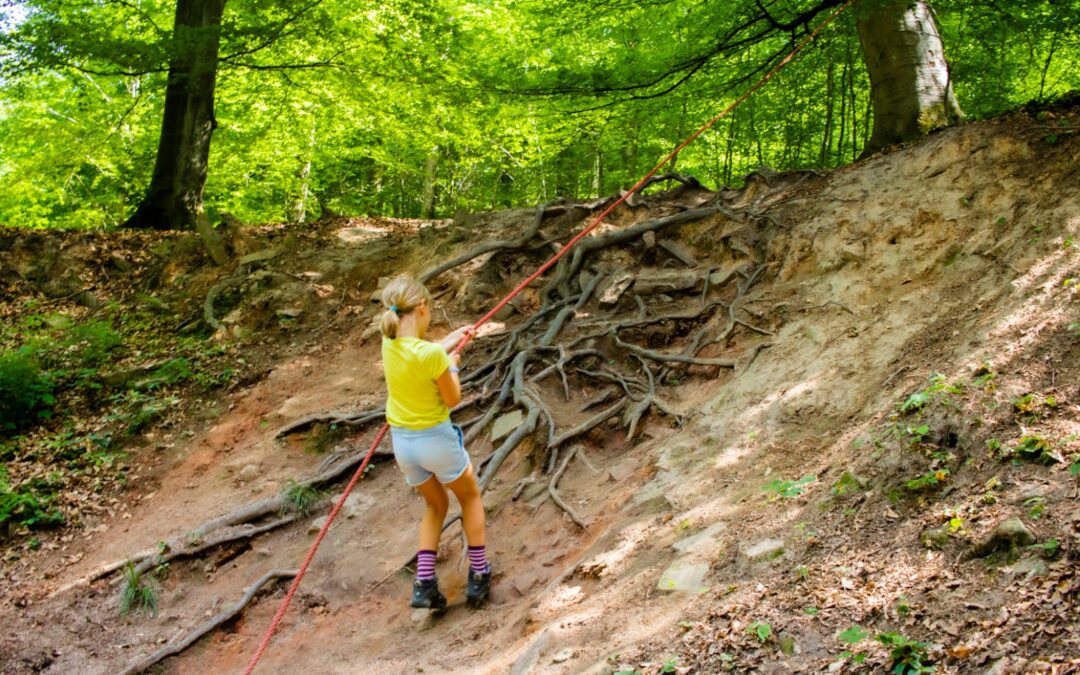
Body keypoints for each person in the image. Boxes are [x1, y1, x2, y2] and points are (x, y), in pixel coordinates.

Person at [379, 275, 491, 610]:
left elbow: (420, 354)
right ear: (423, 307)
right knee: (469, 497)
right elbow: (452, 398)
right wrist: (452, 366)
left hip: (404, 446)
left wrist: (449, 341)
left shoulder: (388, 343)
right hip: (436, 442)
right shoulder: (433, 357)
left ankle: (424, 584)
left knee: (435, 505)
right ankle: (479, 575)